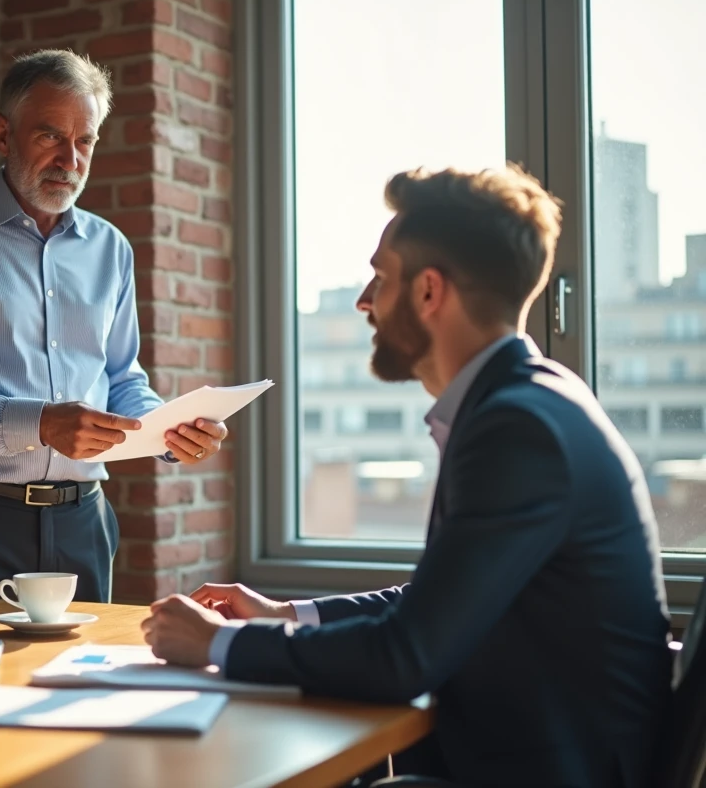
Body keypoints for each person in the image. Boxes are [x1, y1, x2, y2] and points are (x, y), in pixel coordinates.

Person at [141, 164, 673, 787]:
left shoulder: (518, 429)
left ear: (428, 292)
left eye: (381, 277)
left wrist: (216, 644)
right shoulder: (527, 402)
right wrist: (282, 614)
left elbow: (407, 655)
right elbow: (438, 603)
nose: (364, 301)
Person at [0, 48, 226, 614]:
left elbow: (121, 377)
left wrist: (169, 431)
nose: (70, 159)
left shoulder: (111, 249)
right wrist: (39, 422)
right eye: (50, 136)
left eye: (85, 140)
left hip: (83, 523)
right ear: (3, 134)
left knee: (83, 674)